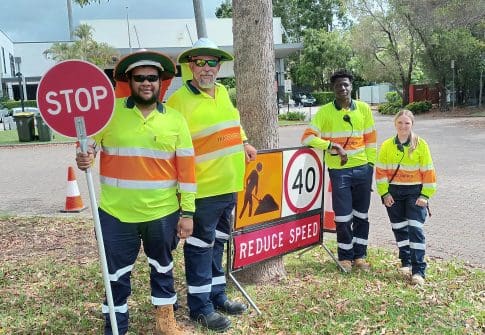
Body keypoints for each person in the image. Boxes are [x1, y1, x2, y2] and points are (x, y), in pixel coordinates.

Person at [76, 49, 196, 335]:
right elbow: (88, 146)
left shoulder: (176, 120)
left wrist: (188, 212)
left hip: (163, 213)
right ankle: (116, 327)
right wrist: (84, 157)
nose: (146, 83)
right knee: (115, 275)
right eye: (139, 77)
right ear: (129, 81)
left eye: (152, 78)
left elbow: (188, 172)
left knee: (163, 269)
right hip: (116, 215)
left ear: (161, 82)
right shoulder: (109, 113)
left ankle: (165, 323)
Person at [166, 38, 257, 332]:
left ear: (219, 66)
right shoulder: (179, 100)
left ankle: (217, 295)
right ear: (191, 66)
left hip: (228, 186)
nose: (207, 68)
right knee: (200, 248)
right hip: (202, 190)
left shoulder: (221, 91)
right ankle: (200, 307)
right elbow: (173, 146)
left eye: (212, 62)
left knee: (217, 243)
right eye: (200, 62)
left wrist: (243, 141)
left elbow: (232, 122)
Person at [301, 69, 377, 272]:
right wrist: (331, 146)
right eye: (338, 85)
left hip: (363, 170)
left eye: (345, 84)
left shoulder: (363, 109)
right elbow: (307, 138)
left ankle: (360, 256)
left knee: (362, 216)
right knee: (342, 218)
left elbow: (371, 141)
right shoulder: (325, 112)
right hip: (339, 172)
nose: (342, 88)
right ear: (333, 89)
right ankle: (345, 257)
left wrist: (370, 168)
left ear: (351, 86)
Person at [375, 109, 436, 285]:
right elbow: (380, 172)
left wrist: (425, 195)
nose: (403, 126)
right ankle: (406, 261)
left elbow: (429, 171)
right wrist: (384, 193)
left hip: (415, 193)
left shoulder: (421, 144)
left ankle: (418, 271)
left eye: (407, 123)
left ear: (412, 125)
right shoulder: (387, 145)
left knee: (415, 229)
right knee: (399, 228)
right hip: (394, 193)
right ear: (395, 124)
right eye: (400, 123)